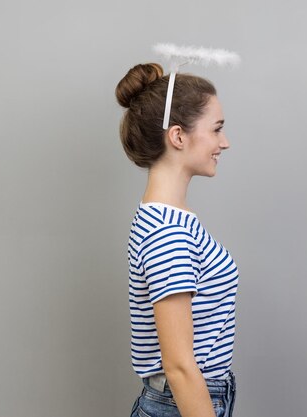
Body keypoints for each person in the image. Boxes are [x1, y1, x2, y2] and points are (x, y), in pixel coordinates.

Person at [116, 62, 239, 417]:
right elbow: (180, 368)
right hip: (181, 404)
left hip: (187, 400)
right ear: (178, 136)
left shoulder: (169, 220)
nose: (224, 142)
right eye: (216, 129)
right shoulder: (167, 233)